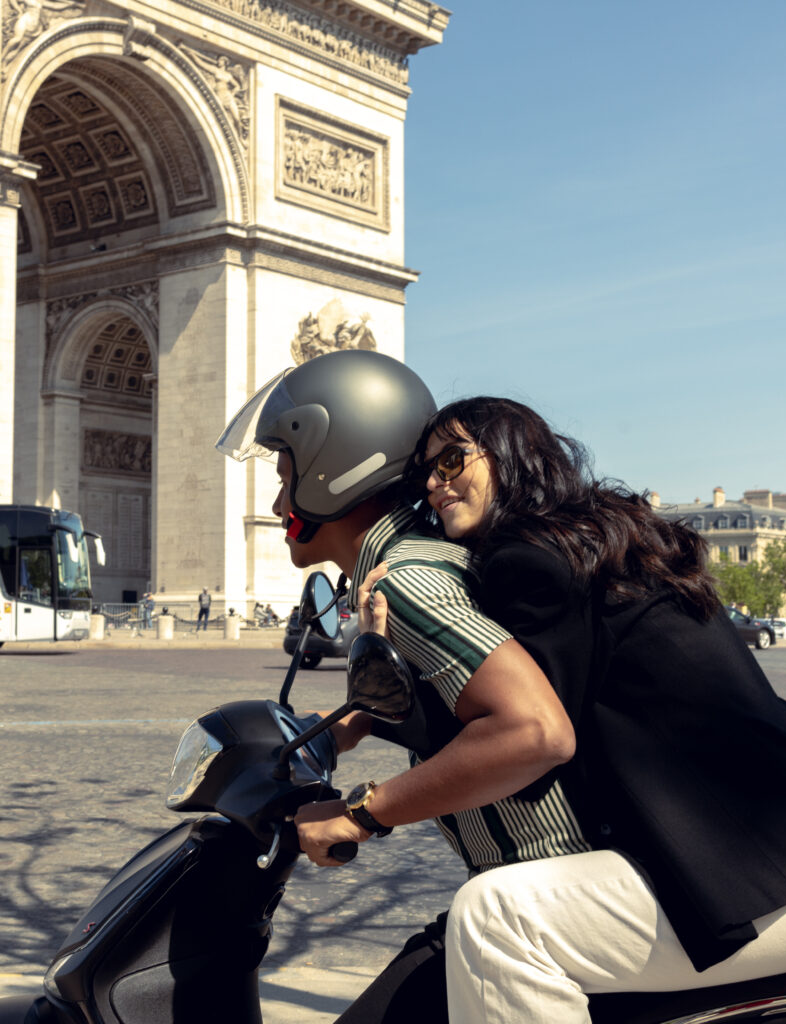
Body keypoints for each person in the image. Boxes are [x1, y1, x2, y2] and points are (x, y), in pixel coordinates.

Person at [355, 395, 786, 1023]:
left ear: (509, 455)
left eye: (453, 460)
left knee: (497, 916)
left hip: (776, 879)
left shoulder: (528, 563)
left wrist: (363, 808)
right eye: (424, 473)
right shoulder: (601, 540)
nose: (434, 484)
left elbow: (525, 734)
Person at [216, 352, 584, 1020]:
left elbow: (533, 729)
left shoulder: (406, 577)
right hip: (526, 887)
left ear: (335, 465)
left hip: (538, 889)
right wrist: (353, 721)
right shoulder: (413, 564)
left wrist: (360, 813)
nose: (275, 504)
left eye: (285, 474)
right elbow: (449, 691)